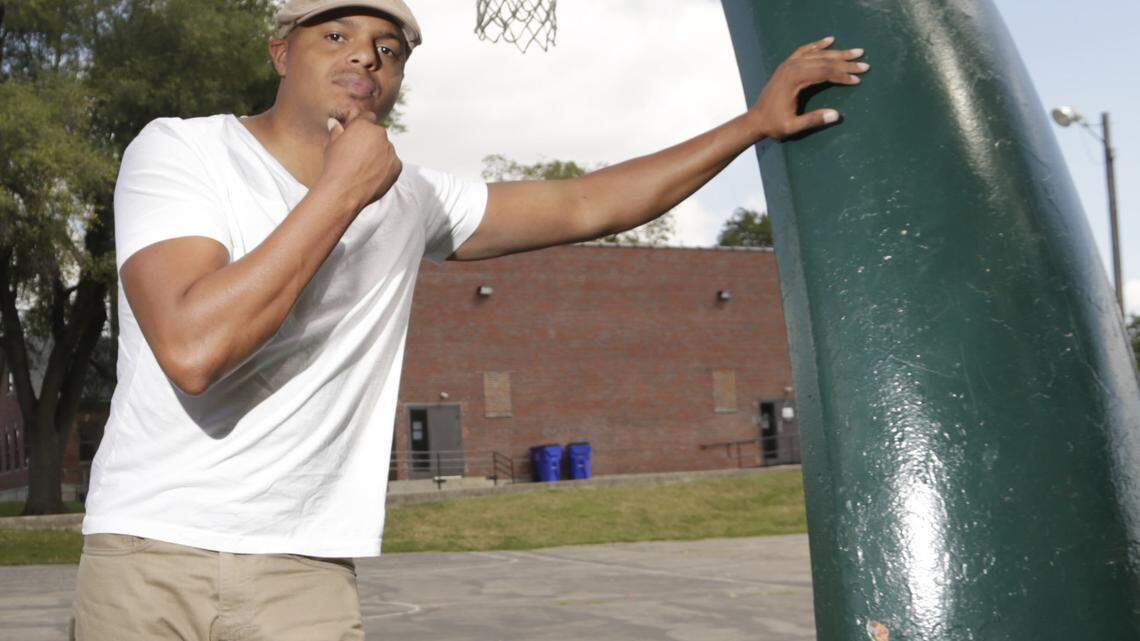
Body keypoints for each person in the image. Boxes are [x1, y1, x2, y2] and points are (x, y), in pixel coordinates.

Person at [70, 0, 869, 638]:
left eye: (388, 48)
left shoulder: (412, 198)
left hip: (301, 567)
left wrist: (752, 124)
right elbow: (194, 347)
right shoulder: (183, 151)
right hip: (150, 549)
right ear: (281, 51)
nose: (365, 57)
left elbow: (585, 201)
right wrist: (343, 190)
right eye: (337, 34)